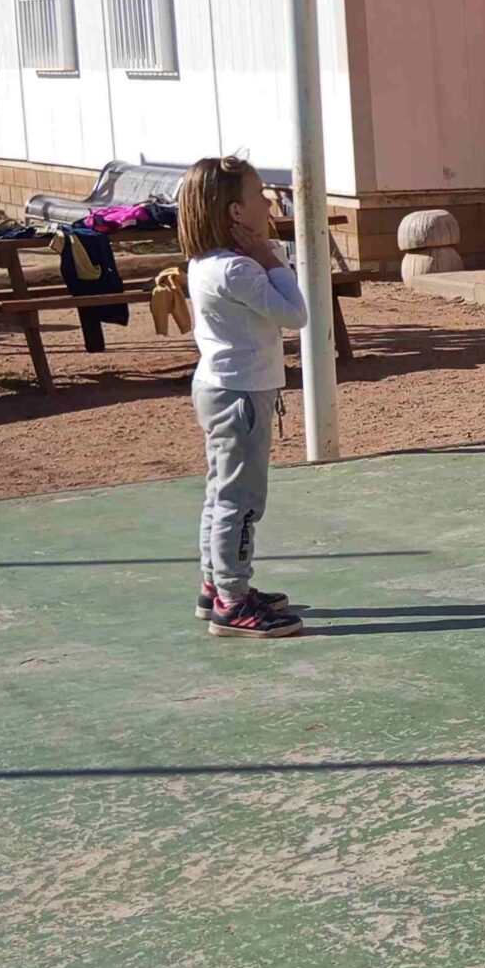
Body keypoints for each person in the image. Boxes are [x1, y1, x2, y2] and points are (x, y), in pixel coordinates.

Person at [178, 155, 310, 640]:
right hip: (241, 396)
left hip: (221, 387)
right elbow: (294, 313)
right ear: (235, 212)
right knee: (242, 500)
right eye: (259, 194)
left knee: (221, 492)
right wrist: (272, 259)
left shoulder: (208, 262)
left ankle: (216, 586)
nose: (269, 201)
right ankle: (233, 604)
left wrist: (263, 254)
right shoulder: (237, 269)